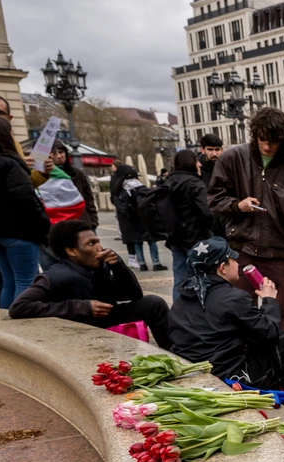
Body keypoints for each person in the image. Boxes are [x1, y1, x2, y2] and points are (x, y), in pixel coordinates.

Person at [169, 236, 284, 403]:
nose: (237, 264)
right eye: (233, 260)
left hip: (197, 374)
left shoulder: (181, 301)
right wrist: (269, 300)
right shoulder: (233, 298)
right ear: (222, 267)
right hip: (232, 378)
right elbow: (269, 336)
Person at [208, 107, 284, 332]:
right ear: (255, 135)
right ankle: (243, 362)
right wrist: (237, 206)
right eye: (262, 140)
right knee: (239, 314)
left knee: (279, 318)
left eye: (273, 142)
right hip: (241, 251)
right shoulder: (233, 157)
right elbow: (214, 198)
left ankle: (280, 362)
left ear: (283, 141)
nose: (267, 147)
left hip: (280, 254)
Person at [9, 219, 170, 348]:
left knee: (153, 304)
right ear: (72, 251)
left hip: (105, 321)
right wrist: (82, 307)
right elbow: (19, 307)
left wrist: (118, 266)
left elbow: (133, 294)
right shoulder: (55, 276)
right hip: (77, 331)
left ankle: (175, 354)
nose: (100, 248)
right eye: (91, 244)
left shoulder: (99, 267)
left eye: (98, 241)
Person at [0, 115, 49, 308]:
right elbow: (25, 200)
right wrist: (44, 226)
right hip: (19, 232)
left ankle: (8, 326)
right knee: (26, 282)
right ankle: (22, 324)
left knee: (8, 281)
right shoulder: (10, 164)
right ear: (5, 135)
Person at [159, 149, 215, 299]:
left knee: (179, 275)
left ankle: (178, 311)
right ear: (190, 163)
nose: (199, 164)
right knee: (201, 276)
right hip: (196, 238)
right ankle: (201, 311)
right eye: (196, 161)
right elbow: (206, 212)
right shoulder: (194, 183)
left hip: (175, 236)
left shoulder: (169, 181)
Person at [110, 164, 164, 274]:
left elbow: (120, 206)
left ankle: (142, 264)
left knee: (137, 242)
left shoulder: (120, 190)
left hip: (131, 221)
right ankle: (156, 263)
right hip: (144, 218)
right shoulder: (139, 187)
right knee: (151, 241)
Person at [49, 143, 99, 230]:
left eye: (61, 152)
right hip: (60, 225)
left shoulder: (77, 173)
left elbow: (88, 197)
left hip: (83, 223)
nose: (59, 156)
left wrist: (93, 221)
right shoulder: (44, 176)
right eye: (55, 154)